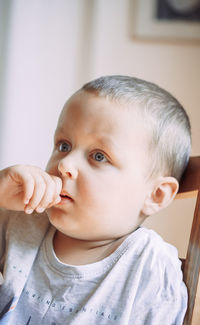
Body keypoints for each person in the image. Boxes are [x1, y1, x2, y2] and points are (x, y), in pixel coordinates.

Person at [0, 75, 191, 324]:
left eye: (99, 156)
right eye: (64, 145)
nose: (65, 164)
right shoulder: (18, 219)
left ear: (155, 195)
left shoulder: (151, 269)